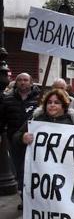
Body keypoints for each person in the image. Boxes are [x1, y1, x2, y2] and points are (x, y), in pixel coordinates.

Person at [15, 89, 74, 219]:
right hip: (40, 176)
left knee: (59, 211)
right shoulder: (36, 121)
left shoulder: (72, 124)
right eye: (50, 102)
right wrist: (23, 137)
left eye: (56, 102)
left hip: (63, 178)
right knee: (39, 210)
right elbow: (15, 138)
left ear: (64, 105)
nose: (52, 105)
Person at [0, 73, 39, 205]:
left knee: (33, 170)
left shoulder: (39, 98)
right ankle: (25, 200)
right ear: (16, 83)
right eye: (20, 80)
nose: (23, 82)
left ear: (31, 82)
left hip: (34, 141)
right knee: (20, 171)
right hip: (15, 141)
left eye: (25, 80)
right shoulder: (8, 100)